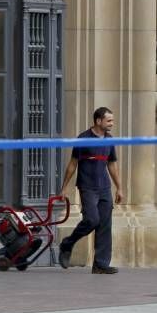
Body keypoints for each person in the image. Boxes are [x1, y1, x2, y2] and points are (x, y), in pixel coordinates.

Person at [58, 107, 123, 274]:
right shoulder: (83, 138)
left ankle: (100, 264)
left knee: (104, 225)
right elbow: (73, 164)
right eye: (109, 120)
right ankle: (67, 243)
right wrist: (64, 187)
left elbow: (112, 164)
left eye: (112, 120)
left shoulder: (109, 139)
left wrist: (119, 188)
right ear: (98, 121)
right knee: (92, 220)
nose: (112, 124)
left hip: (104, 187)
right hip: (87, 186)